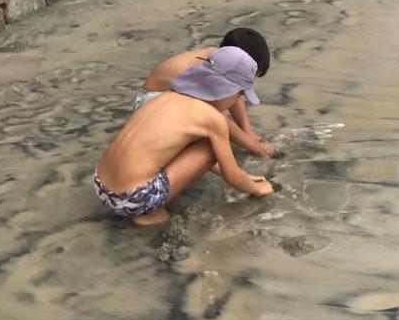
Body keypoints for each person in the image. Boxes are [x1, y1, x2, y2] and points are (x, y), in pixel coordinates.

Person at [94, 47, 275, 226]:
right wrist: (258, 188)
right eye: (240, 94)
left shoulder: (164, 97)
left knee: (196, 142)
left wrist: (242, 176)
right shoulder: (212, 119)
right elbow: (231, 176)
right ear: (228, 90)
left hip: (102, 184)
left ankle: (137, 204)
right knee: (212, 144)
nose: (237, 101)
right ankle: (149, 214)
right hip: (133, 197)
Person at [138, 28, 274, 157]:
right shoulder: (202, 71)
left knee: (223, 112)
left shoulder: (221, 62)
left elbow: (235, 90)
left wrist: (247, 130)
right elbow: (212, 116)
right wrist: (254, 146)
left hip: (173, 100)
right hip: (153, 104)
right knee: (213, 137)